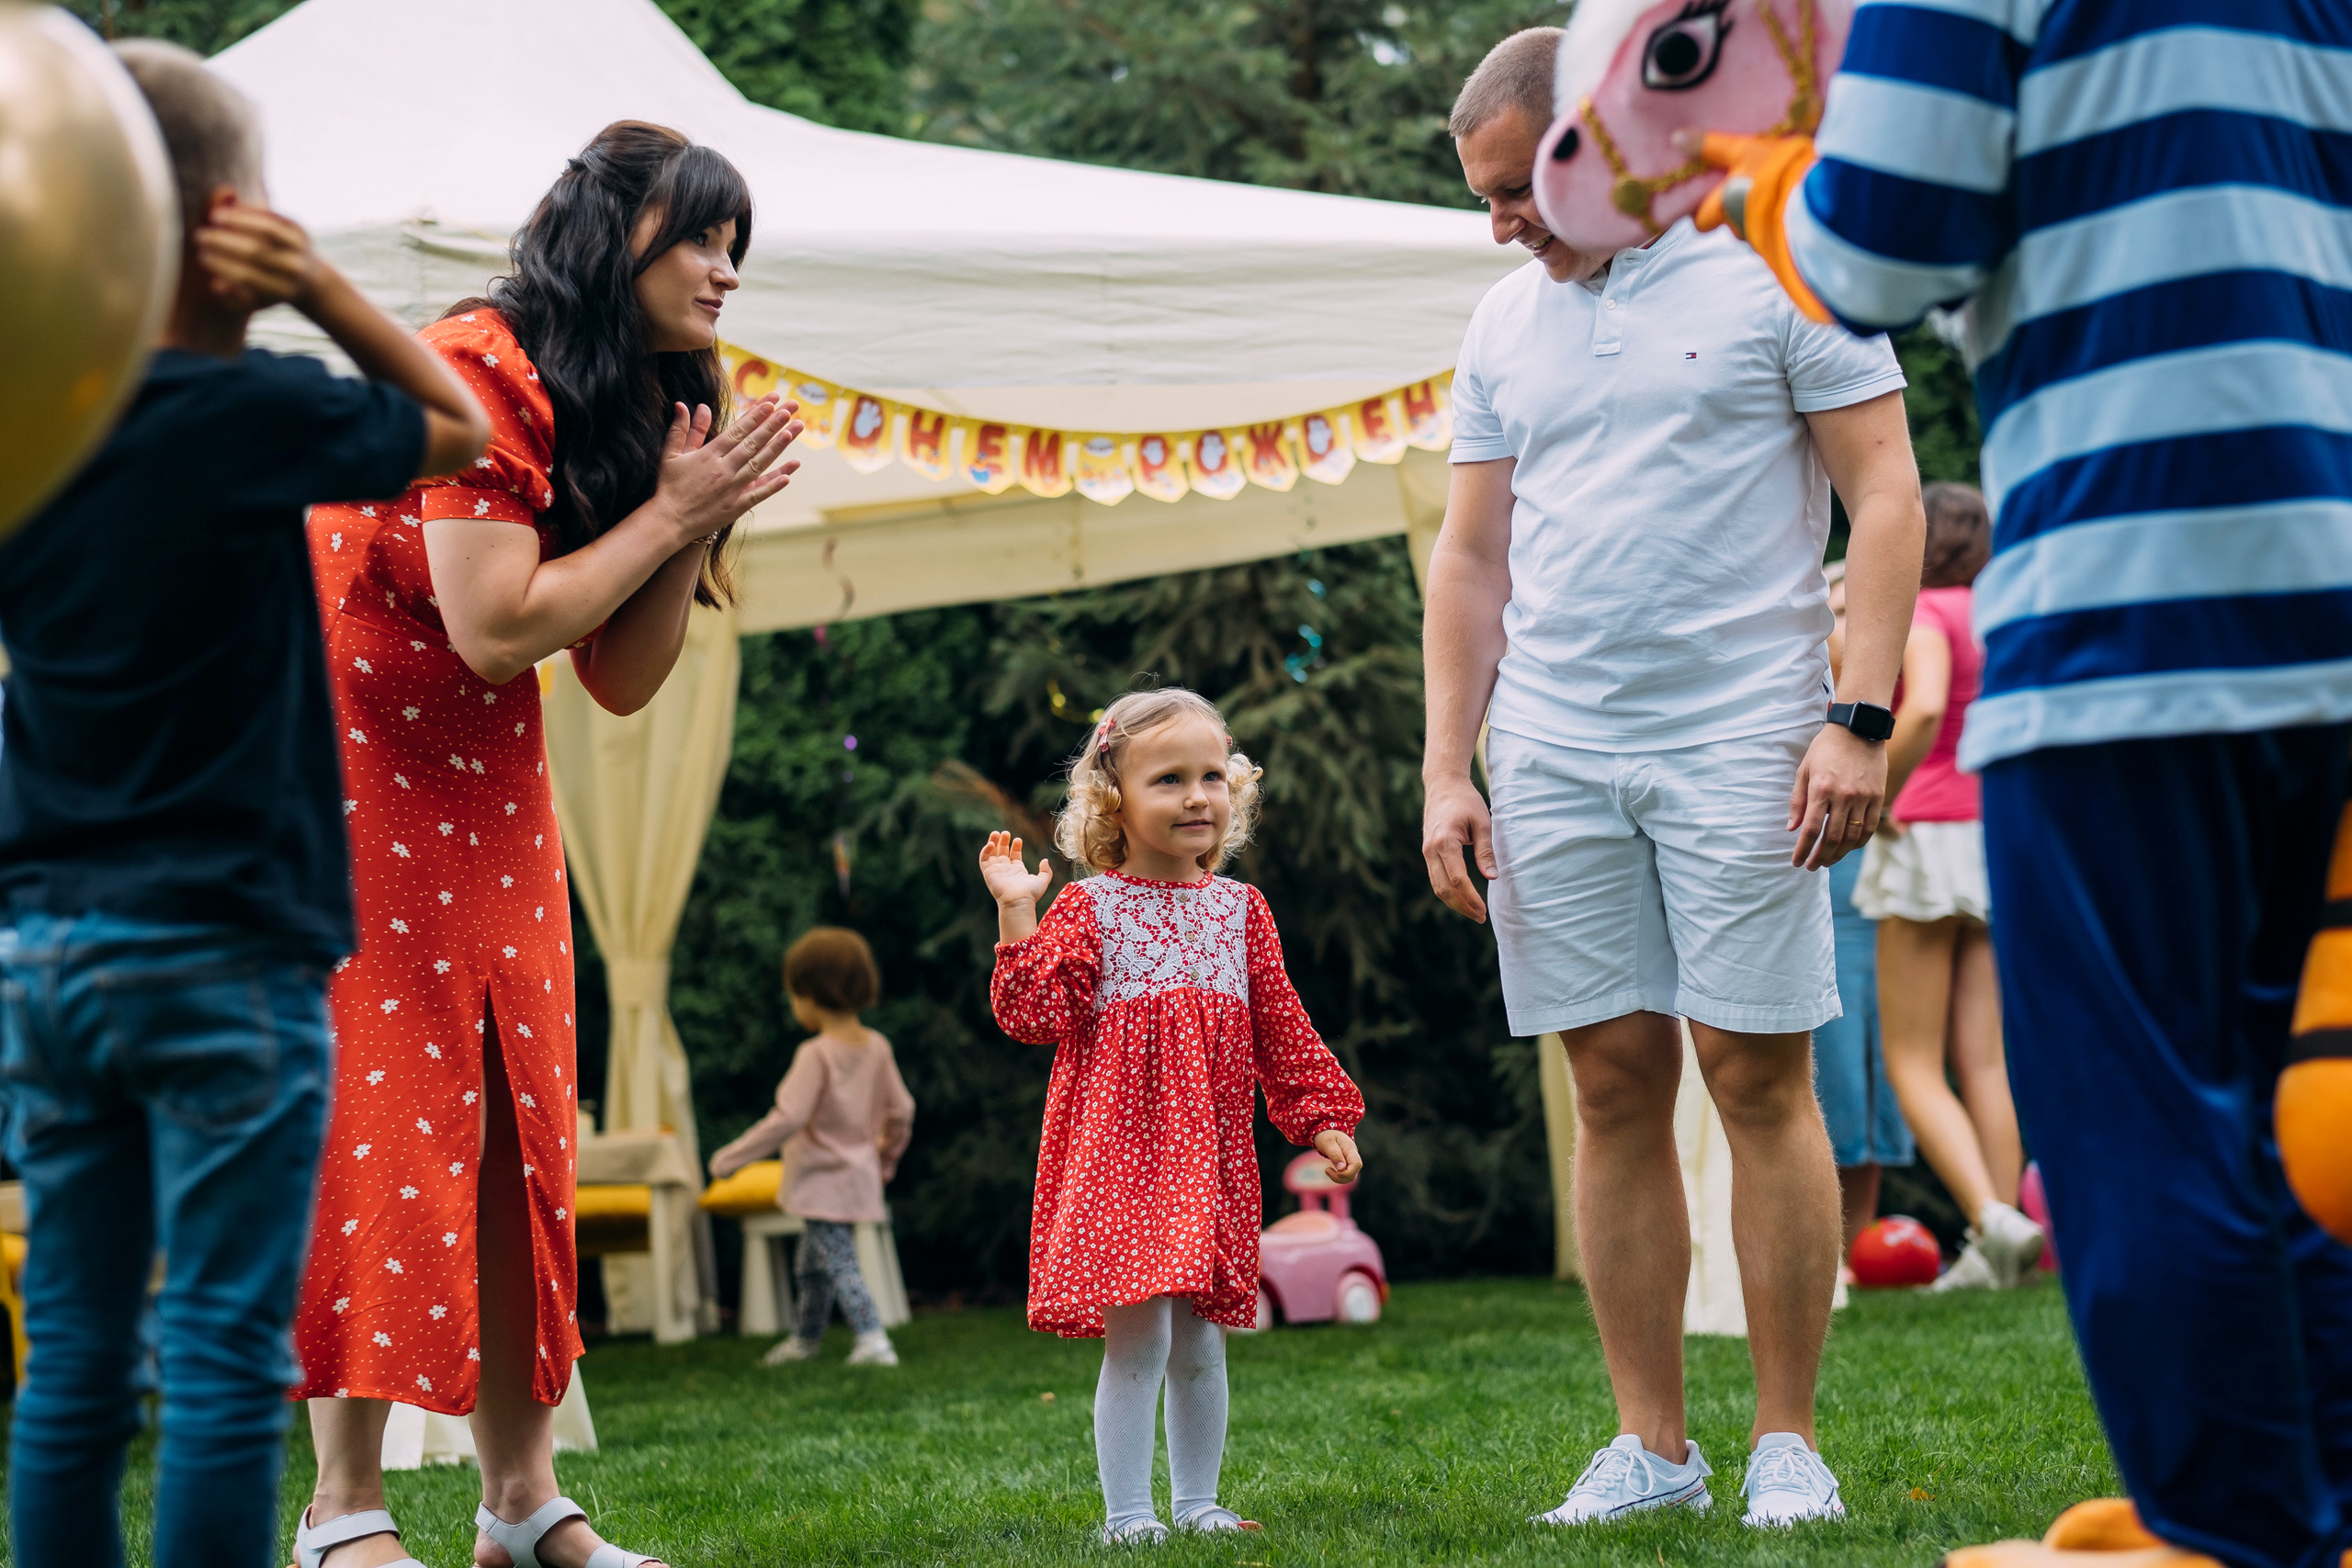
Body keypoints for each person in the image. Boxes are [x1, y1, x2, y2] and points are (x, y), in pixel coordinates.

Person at [1689, 6, 2352, 1563]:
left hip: (2137, 619)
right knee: (2300, 1103)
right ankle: (2310, 1502)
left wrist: (1756, 193)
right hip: (2332, 591)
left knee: (2142, 1118)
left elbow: (1888, 235)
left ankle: (2231, 1525)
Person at [1421, 26, 1925, 1529]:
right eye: (1487, 199)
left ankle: (1786, 1439)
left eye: (1517, 188)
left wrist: (1860, 713)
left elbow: (1888, 493)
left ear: (1598, 141)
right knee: (1609, 1081)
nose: (1502, 222)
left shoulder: (1785, 261)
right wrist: (1452, 767)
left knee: (1756, 1074)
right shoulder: (1503, 320)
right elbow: (1468, 558)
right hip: (1557, 746)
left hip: (1748, 733)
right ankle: (1653, 1443)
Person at [0, 41, 489, 1568]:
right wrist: (326, 292)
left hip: (47, 953)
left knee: (74, 1353)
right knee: (220, 1343)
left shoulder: (30, 424)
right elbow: (458, 427)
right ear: (220, 227)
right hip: (222, 948)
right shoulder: (235, 410)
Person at [288, 121, 801, 1568]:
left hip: (491, 780)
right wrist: (674, 514)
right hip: (353, 773)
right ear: (614, 228)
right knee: (394, 1121)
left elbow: (617, 677)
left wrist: (688, 516)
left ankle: (520, 1501)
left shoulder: (643, 392)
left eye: (734, 246)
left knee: (519, 1121)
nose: (723, 272)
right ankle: (342, 1512)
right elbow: (493, 617)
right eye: (702, 237)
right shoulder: (474, 361)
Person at [979, 687, 1366, 1544]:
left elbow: (1281, 1027)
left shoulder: (1240, 911)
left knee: (1202, 1342)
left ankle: (1197, 1504)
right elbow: (1032, 1014)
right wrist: (1017, 912)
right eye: (1169, 780)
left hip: (1210, 1161)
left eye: (1211, 776)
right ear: (1115, 802)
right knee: (1139, 1344)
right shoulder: (1090, 908)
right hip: (1119, 1159)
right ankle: (1128, 1515)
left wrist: (1320, 1113)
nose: (1197, 796)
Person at [1853, 483, 2037, 1292]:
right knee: (1985, 1061)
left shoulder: (1925, 612)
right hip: (1989, 830)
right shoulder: (1998, 613)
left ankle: (1994, 1221)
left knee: (1912, 1061)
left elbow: (1922, 705)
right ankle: (2001, 1246)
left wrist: (1881, 788)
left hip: (1927, 834)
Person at [707, 926, 915, 1369]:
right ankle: (805, 1339)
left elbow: (788, 1118)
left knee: (838, 1262)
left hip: (821, 1182)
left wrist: (731, 1160)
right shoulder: (877, 1047)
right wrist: (885, 1159)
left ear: (810, 994)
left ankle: (874, 1340)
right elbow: (902, 1112)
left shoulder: (815, 1054)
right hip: (857, 1178)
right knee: (813, 1267)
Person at [1817, 562, 1916, 1257]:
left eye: (1863, 610)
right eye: (1839, 610)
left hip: (1887, 890)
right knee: (1831, 1057)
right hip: (1824, 887)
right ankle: (1824, 1240)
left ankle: (1862, 1241)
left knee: (1880, 1055)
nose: (1852, 627)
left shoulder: (1898, 700)